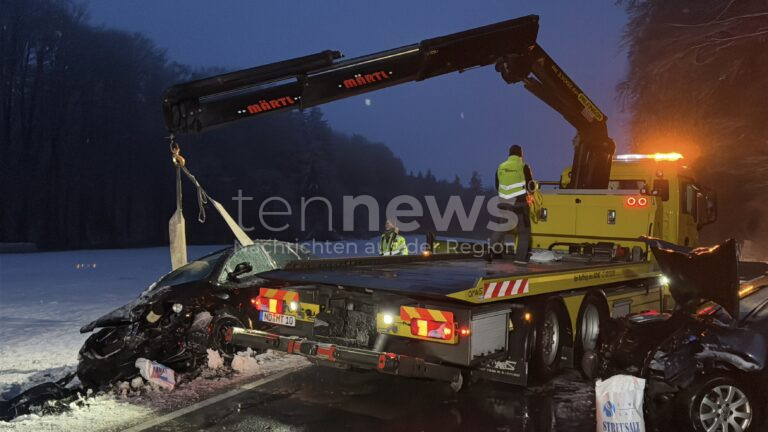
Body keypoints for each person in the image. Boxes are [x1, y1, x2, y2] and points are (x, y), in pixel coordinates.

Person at [489, 144, 533, 264]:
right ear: (521, 155)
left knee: (502, 228)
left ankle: (489, 250)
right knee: (524, 231)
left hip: (504, 202)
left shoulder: (500, 167)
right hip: (519, 203)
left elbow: (497, 185)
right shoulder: (523, 166)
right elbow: (531, 186)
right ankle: (520, 259)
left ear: (509, 154)